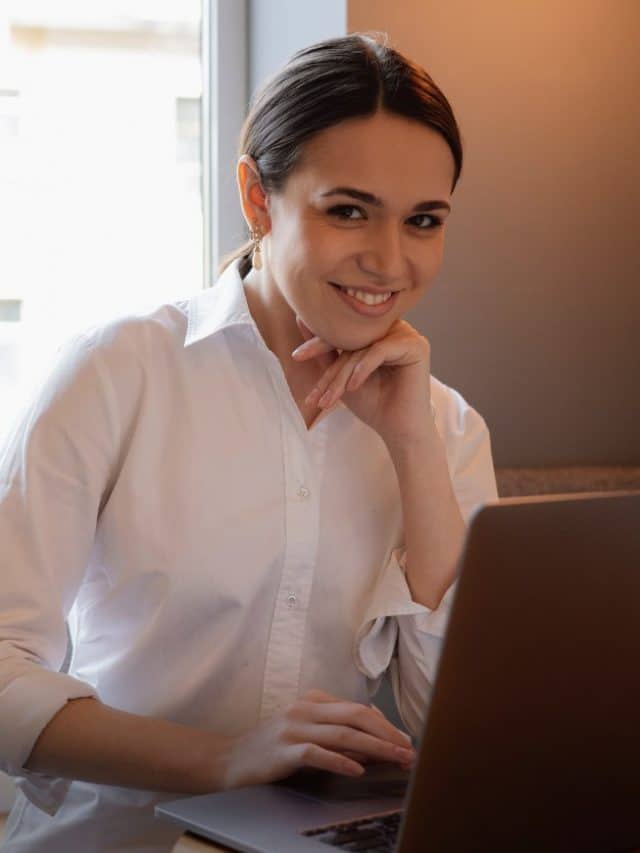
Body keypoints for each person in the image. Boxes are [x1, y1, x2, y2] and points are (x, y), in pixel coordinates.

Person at [0, 32, 498, 853]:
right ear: (257, 198)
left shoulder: (445, 427)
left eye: (424, 220)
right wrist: (225, 758)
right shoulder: (120, 370)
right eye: (348, 209)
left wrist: (414, 448)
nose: (389, 259)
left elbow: (465, 725)